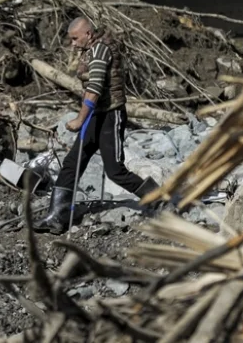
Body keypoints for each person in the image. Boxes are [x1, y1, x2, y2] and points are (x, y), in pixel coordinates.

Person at [33, 16, 161, 235]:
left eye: (75, 39)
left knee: (115, 171)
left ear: (88, 34)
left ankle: (159, 200)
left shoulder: (101, 50)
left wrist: (80, 119)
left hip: (111, 115)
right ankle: (58, 214)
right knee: (73, 162)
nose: (72, 44)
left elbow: (94, 89)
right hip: (97, 115)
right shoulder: (91, 50)